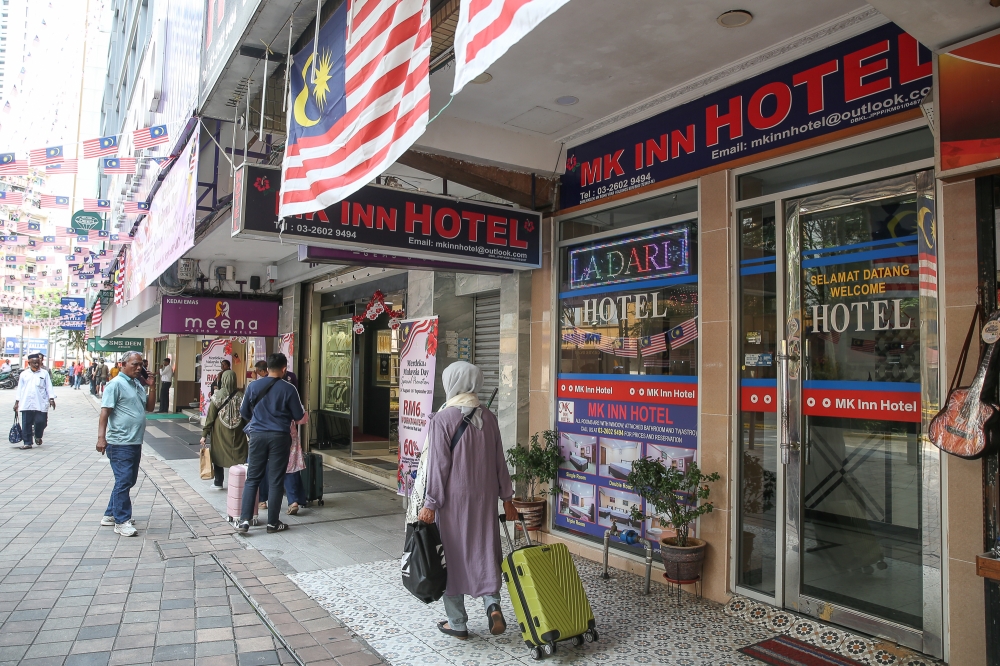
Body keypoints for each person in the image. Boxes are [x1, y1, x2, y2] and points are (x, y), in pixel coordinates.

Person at [418, 361, 517, 640]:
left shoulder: (442, 419)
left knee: (451, 555)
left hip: (452, 501)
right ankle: (492, 604)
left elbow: (439, 466)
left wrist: (430, 503)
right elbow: (500, 462)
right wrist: (507, 498)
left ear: (451, 383)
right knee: (484, 547)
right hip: (484, 498)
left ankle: (458, 623)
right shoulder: (489, 417)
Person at [236, 353, 304, 534]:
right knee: (275, 480)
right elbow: (298, 416)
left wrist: (259, 419)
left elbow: (244, 412)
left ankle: (244, 521)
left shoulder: (253, 386)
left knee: (252, 478)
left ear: (266, 370)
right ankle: (273, 523)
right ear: (284, 369)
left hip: (257, 436)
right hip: (279, 437)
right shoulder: (289, 389)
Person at [96, 352, 147, 537]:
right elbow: (104, 413)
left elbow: (148, 408)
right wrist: (101, 438)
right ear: (123, 364)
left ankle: (110, 514)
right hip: (120, 442)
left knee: (127, 480)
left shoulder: (137, 384)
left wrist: (152, 384)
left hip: (135, 441)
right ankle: (121, 520)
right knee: (124, 480)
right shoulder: (115, 384)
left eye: (141, 364)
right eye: (135, 364)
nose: (139, 368)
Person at [200, 368, 248, 488]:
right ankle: (240, 481)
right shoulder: (242, 396)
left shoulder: (217, 396)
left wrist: (204, 434)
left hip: (220, 432)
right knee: (239, 454)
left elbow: (210, 417)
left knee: (218, 454)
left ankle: (218, 482)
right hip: (238, 431)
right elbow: (247, 416)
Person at [12, 353, 55, 450]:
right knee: (26, 423)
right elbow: (20, 389)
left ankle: (38, 435)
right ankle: (27, 442)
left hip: (40, 402)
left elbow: (49, 387)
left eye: (38, 363)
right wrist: (17, 402)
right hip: (26, 402)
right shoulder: (24, 374)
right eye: (34, 363)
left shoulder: (44, 373)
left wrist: (51, 398)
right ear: (29, 363)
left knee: (41, 422)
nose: (36, 365)